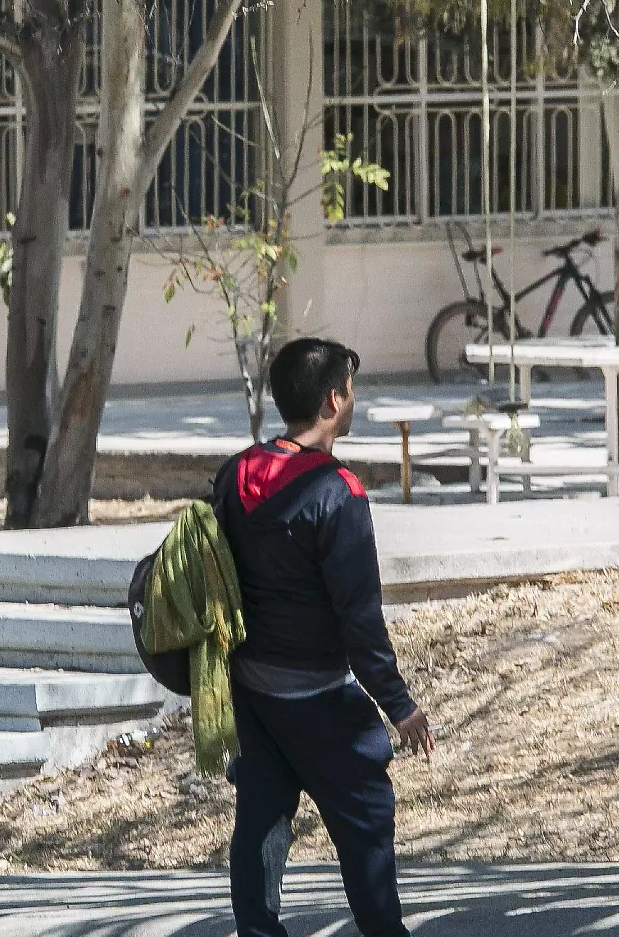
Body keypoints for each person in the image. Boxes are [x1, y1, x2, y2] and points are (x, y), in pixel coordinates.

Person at [212, 337, 434, 937]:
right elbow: (359, 621)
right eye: (351, 389)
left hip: (253, 692)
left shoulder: (235, 475)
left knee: (260, 817)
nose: (353, 398)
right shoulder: (338, 495)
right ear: (334, 400)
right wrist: (400, 706)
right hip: (320, 698)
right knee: (367, 814)